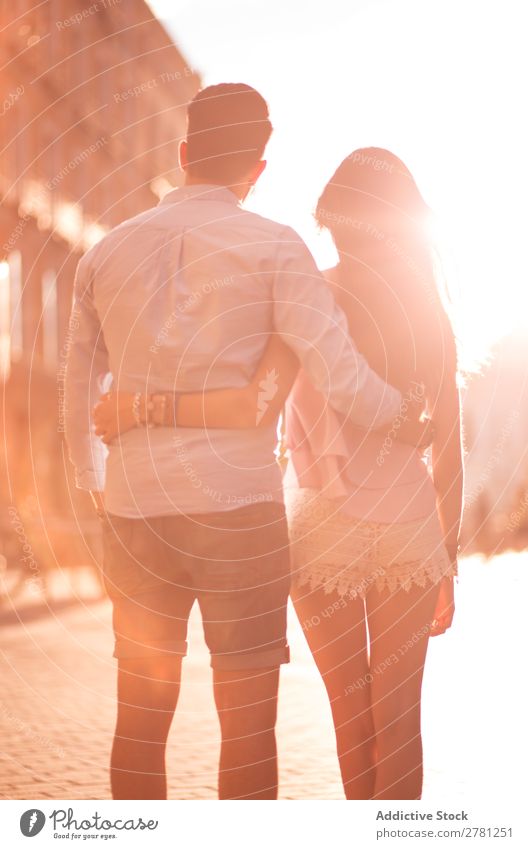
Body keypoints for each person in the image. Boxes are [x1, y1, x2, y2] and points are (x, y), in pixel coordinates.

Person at [65, 85, 428, 801]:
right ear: (257, 168)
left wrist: (97, 483)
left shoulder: (104, 253)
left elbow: (77, 391)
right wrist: (402, 414)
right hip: (241, 514)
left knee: (138, 718)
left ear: (182, 153)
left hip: (139, 512)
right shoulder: (274, 247)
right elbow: (339, 371)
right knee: (247, 729)